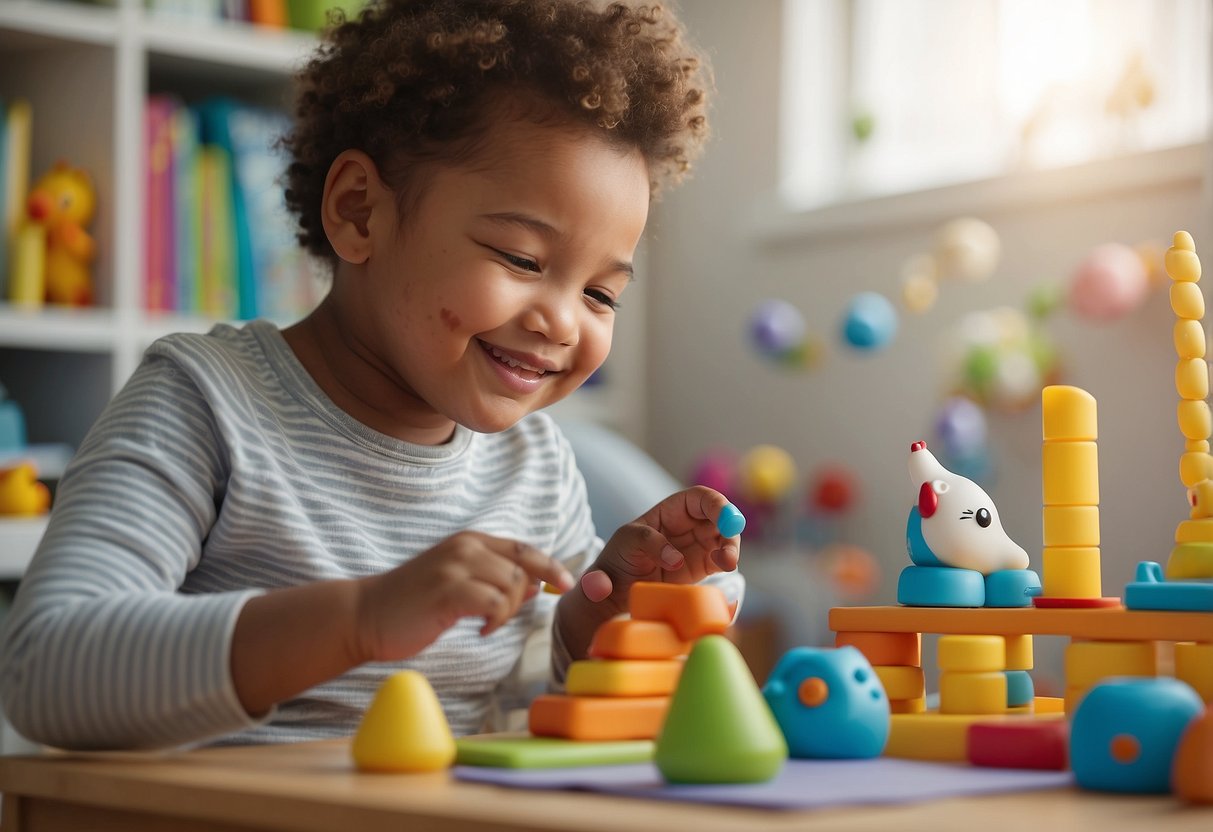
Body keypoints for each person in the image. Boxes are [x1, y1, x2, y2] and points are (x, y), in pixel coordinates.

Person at [0, 0, 739, 750]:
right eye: (521, 259)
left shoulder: (536, 469)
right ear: (359, 213)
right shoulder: (204, 405)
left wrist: (599, 616)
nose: (562, 322)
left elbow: (528, 710)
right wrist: (359, 621)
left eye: (599, 294)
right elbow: (45, 667)